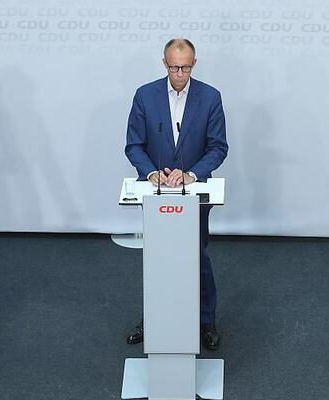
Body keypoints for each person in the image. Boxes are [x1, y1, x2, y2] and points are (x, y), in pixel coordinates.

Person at [124, 38, 229, 350]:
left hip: (194, 192)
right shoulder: (145, 96)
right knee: (158, 258)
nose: (179, 73)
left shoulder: (210, 97)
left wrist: (192, 173)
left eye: (185, 67)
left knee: (196, 255)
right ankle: (154, 317)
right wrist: (152, 172)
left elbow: (218, 147)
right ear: (164, 63)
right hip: (156, 192)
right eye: (174, 67)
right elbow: (134, 145)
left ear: (194, 64)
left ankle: (205, 320)